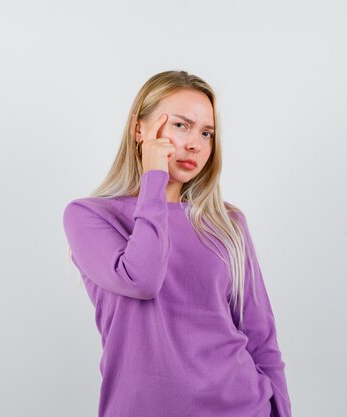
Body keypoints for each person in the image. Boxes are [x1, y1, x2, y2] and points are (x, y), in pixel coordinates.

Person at [62, 70, 292, 417]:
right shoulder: (90, 216)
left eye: (206, 133)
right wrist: (154, 180)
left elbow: (260, 335)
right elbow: (141, 278)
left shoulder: (227, 223)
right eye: (181, 125)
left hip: (242, 406)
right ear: (140, 130)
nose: (195, 144)